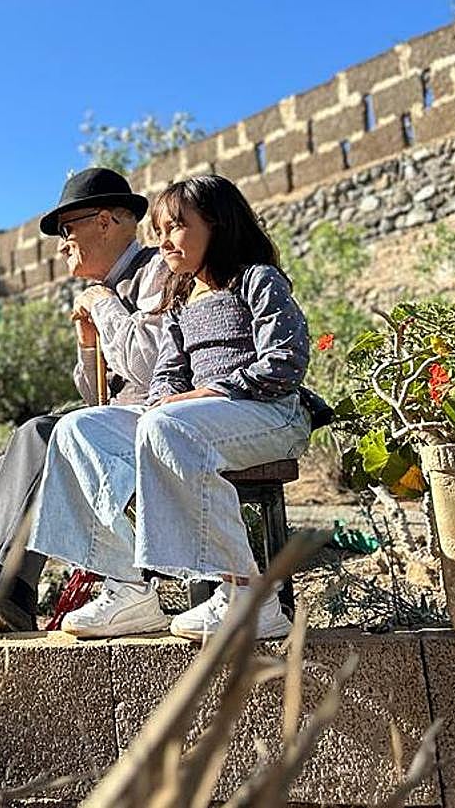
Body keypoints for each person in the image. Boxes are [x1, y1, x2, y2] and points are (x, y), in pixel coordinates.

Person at [25, 174, 326, 641]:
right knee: (78, 430)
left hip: (269, 412)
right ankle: (127, 588)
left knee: (169, 423)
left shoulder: (256, 280)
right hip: (195, 417)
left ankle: (249, 595)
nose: (164, 241)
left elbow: (284, 362)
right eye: (159, 232)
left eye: (175, 228)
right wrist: (164, 400)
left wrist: (206, 395)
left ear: (218, 226)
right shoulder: (182, 298)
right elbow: (168, 371)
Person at [0, 168, 168, 633]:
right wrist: (87, 344)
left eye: (67, 229)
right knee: (12, 459)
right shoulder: (107, 290)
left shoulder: (155, 270)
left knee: (40, 432)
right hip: (118, 424)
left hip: (162, 419)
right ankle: (0, 592)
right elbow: (98, 393)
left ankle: (1, 592)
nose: (62, 245)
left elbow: (150, 365)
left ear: (105, 222)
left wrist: (102, 304)